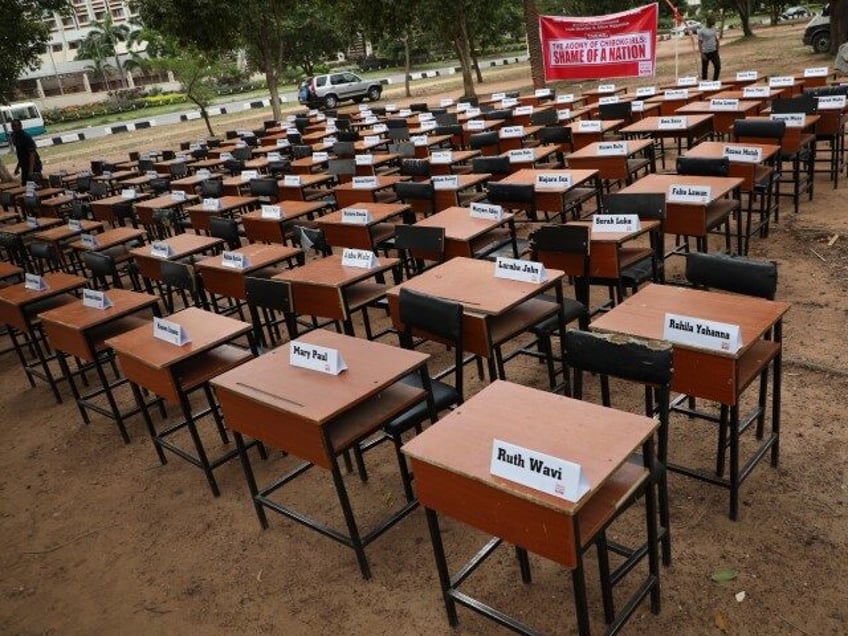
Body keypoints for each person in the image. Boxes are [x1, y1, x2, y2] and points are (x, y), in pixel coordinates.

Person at [10, 119, 42, 186]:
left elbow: (32, 154)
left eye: (15, 126)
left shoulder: (26, 137)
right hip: (24, 166)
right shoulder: (15, 136)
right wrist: (18, 167)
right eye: (12, 126)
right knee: (25, 185)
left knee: (35, 186)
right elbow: (21, 155)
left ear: (20, 126)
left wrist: (31, 171)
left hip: (34, 165)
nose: (14, 128)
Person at [697, 16, 721, 81]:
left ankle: (715, 80)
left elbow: (716, 39)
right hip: (705, 52)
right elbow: (699, 42)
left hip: (714, 51)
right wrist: (702, 53)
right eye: (713, 21)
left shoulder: (714, 29)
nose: (714, 22)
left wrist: (717, 48)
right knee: (704, 68)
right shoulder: (702, 31)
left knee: (718, 66)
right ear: (708, 21)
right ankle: (704, 81)